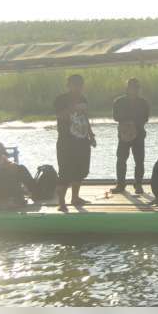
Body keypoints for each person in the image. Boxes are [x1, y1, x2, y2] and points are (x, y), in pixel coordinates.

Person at [54, 74, 95, 212]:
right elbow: (59, 116)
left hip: (82, 140)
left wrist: (91, 134)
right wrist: (73, 107)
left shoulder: (83, 98)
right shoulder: (61, 99)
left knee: (81, 170)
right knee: (65, 172)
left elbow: (85, 117)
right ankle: (61, 203)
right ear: (68, 85)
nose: (77, 88)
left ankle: (75, 197)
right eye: (74, 84)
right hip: (66, 141)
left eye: (80, 85)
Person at [111, 78, 150, 195]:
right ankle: (120, 185)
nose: (134, 89)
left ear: (139, 89)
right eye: (132, 87)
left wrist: (134, 123)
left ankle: (138, 185)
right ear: (127, 88)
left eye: (136, 87)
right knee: (121, 159)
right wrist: (128, 121)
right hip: (123, 134)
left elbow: (145, 118)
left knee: (139, 160)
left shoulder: (144, 102)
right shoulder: (118, 101)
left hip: (139, 134)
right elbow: (115, 117)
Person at [0, 142, 37, 207]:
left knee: (20, 168)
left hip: (2, 190)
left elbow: (12, 168)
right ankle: (17, 198)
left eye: (2, 153)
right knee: (5, 174)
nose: (1, 155)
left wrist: (13, 166)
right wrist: (1, 172)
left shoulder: (3, 159)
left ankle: (36, 192)